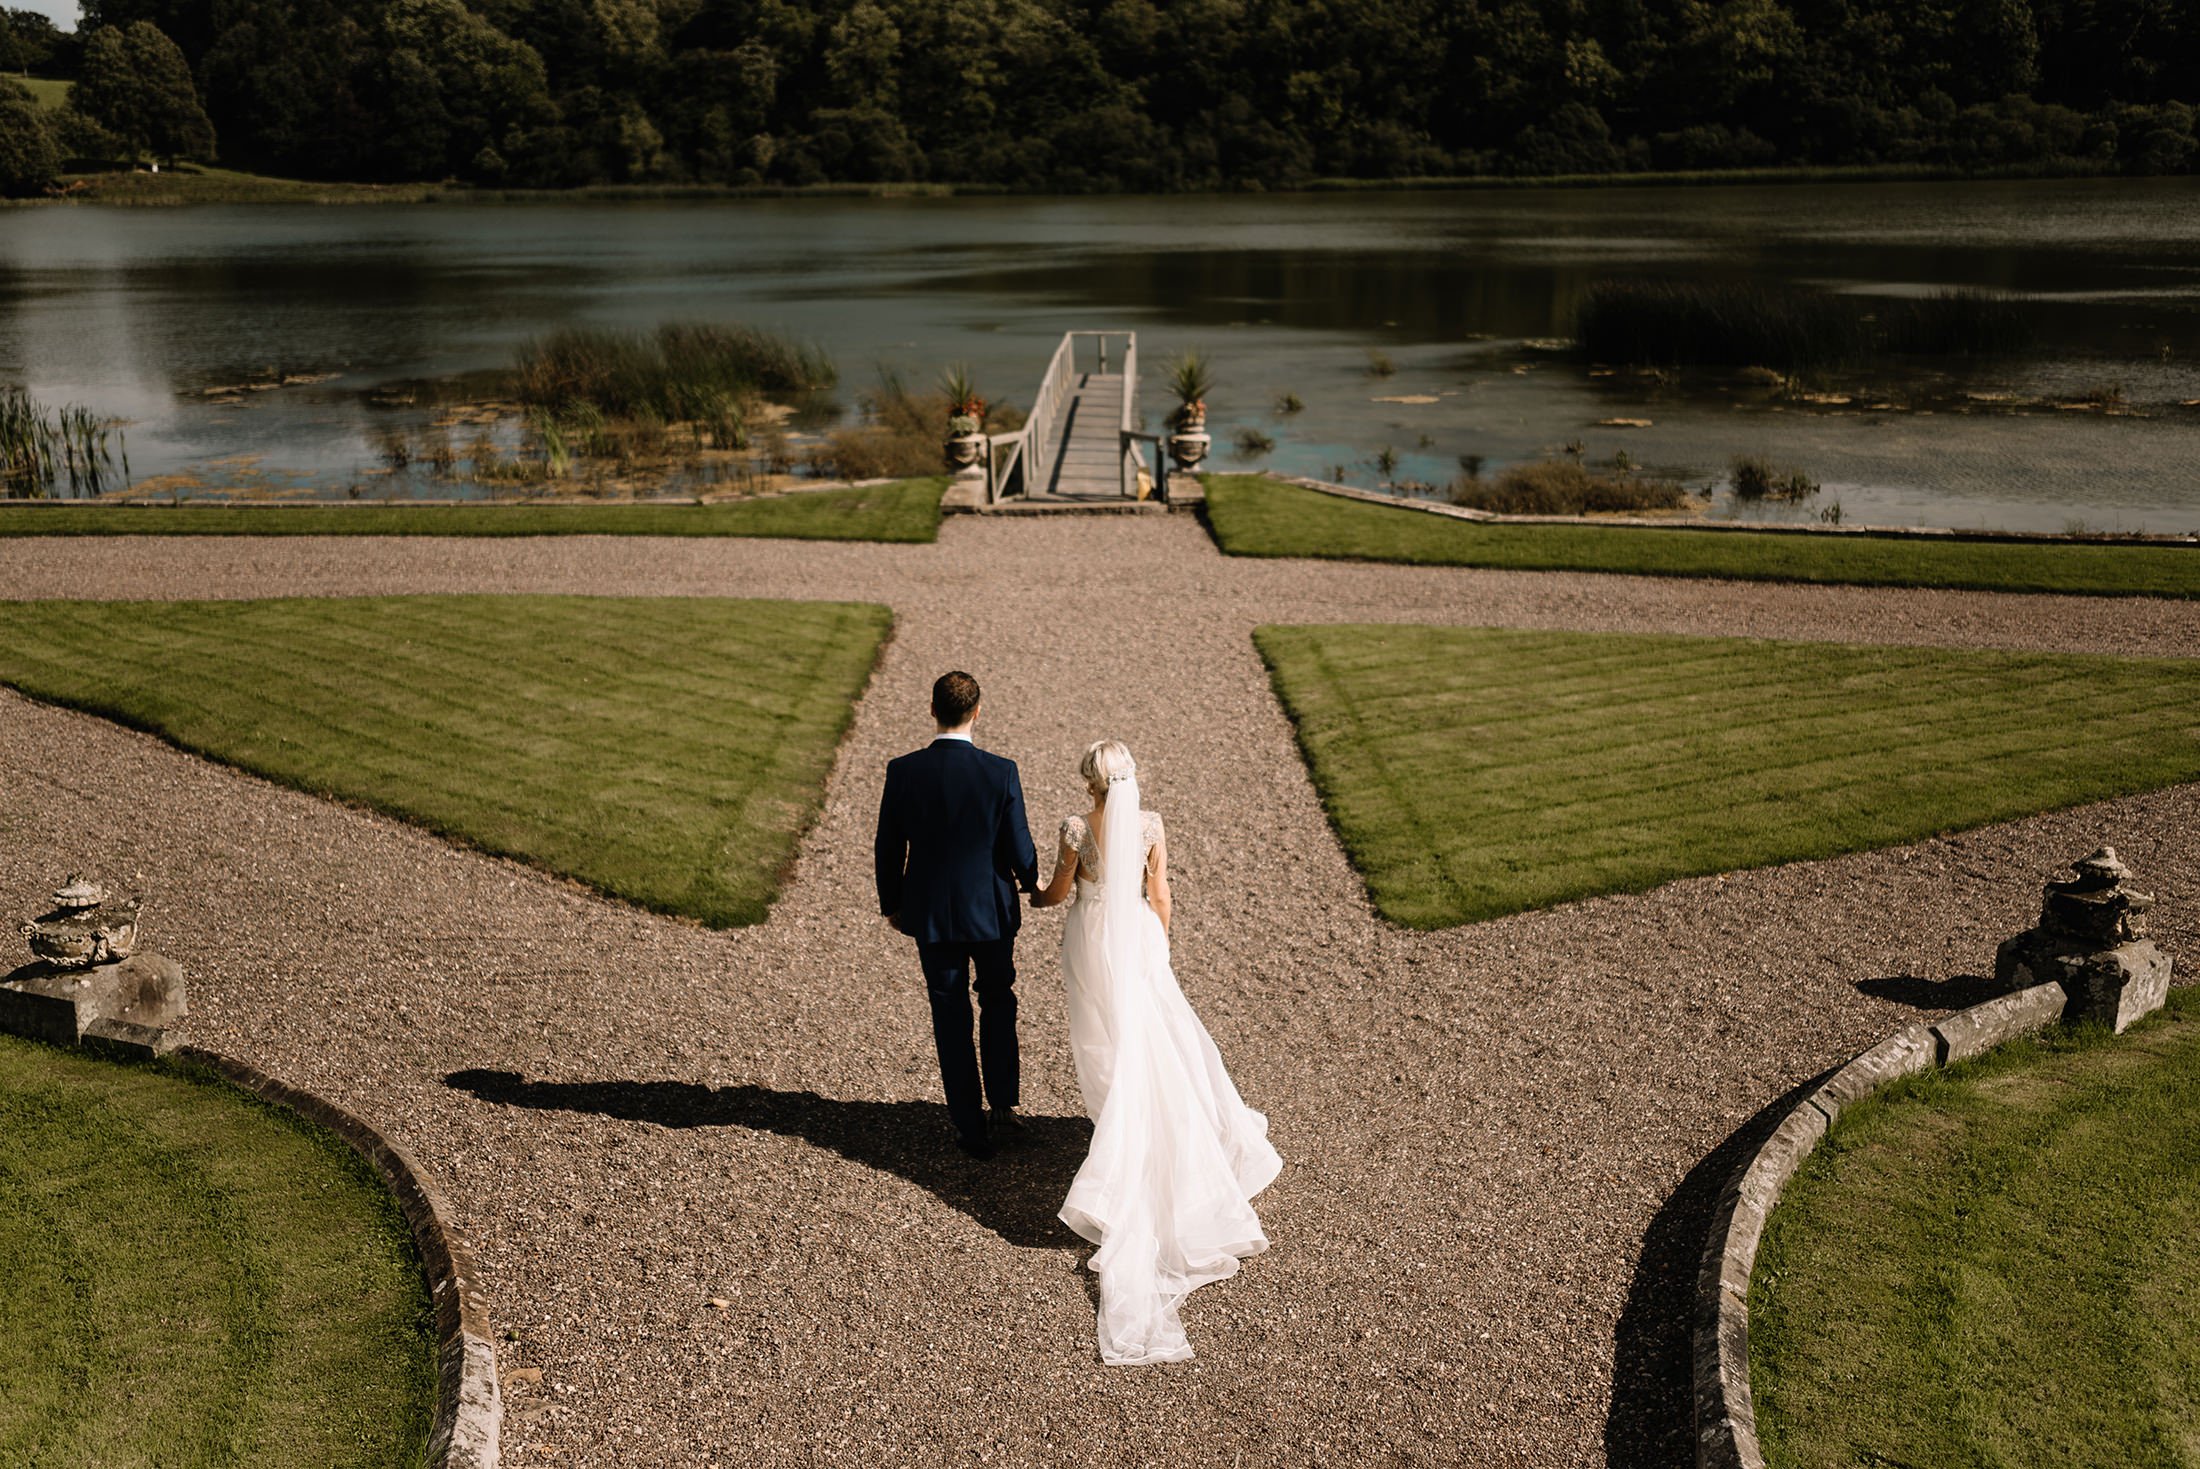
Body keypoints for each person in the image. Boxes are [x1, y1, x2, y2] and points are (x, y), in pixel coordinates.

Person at [1031, 738, 1282, 1364]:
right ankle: (1155, 1121)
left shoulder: (1073, 827)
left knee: (1103, 1036)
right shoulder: (1150, 825)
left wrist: (1030, 892)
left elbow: (1058, 893)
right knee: (1154, 1035)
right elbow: (1160, 892)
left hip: (1092, 940)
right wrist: (1158, 947)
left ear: (1089, 781)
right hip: (1137, 938)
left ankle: (1120, 1127)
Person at [874, 671, 1039, 1160]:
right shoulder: (1000, 771)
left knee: (949, 1013)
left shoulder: (904, 771)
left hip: (932, 914)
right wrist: (1032, 882)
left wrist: (893, 902)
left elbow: (889, 844)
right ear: (977, 711)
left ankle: (969, 1124)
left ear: (932, 709)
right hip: (990, 912)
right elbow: (1018, 842)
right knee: (998, 1000)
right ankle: (1003, 1106)